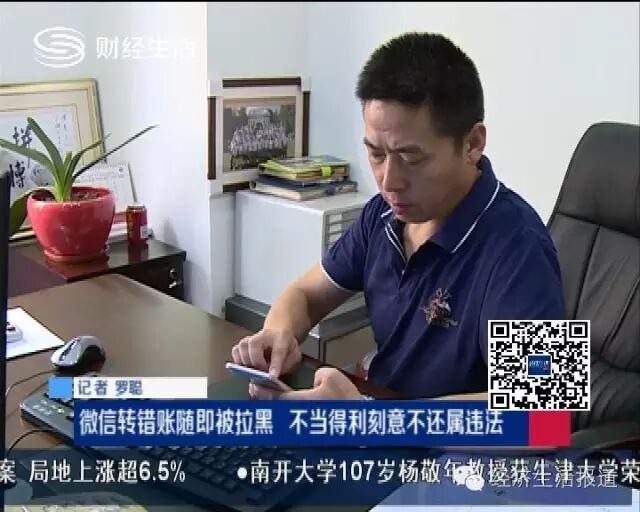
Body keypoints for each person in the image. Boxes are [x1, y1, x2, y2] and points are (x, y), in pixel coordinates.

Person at [231, 31, 566, 401]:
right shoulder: (383, 215)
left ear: (472, 144)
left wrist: (366, 418)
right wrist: (279, 332)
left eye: (411, 158)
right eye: (376, 154)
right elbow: (306, 294)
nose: (389, 181)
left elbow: (546, 411)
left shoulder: (519, 247)